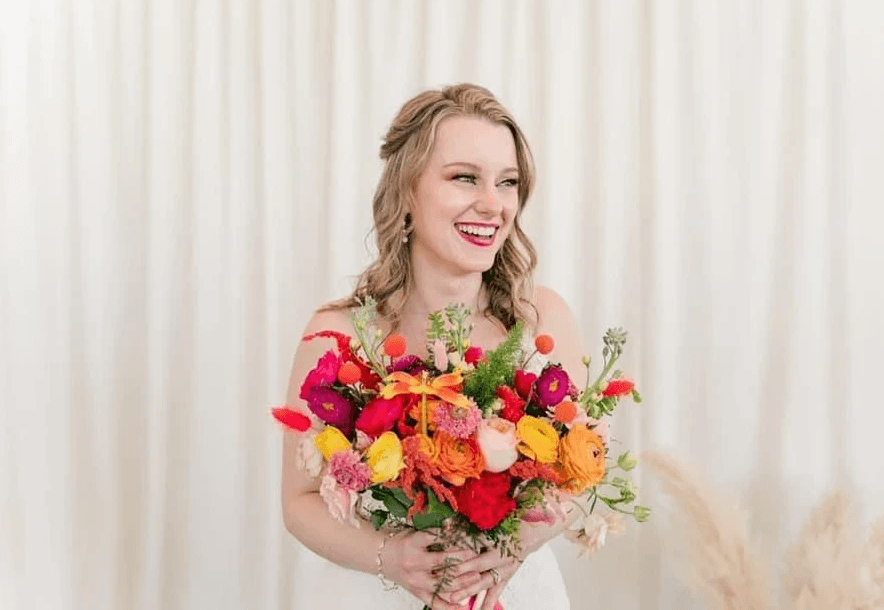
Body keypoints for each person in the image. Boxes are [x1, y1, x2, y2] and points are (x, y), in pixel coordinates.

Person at [281, 83, 587, 610]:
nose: (492, 204)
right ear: (407, 191)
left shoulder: (543, 320)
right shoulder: (337, 334)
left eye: (507, 182)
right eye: (464, 177)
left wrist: (511, 549)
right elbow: (299, 502)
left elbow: (580, 475)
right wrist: (394, 558)